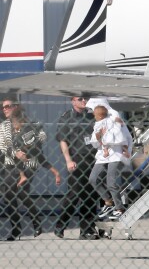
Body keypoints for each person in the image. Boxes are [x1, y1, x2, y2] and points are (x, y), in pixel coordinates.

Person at [0, 97, 60, 241]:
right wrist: (16, 153)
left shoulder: (32, 123)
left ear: (16, 107)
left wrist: (28, 147)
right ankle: (17, 227)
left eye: (8, 106)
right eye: (3, 107)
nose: (5, 109)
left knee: (21, 192)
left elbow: (42, 138)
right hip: (10, 164)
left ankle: (35, 221)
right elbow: (3, 146)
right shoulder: (3, 126)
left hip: (29, 164)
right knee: (8, 195)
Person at [54, 96, 101, 240]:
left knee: (92, 195)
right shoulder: (67, 117)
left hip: (93, 159)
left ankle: (87, 230)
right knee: (74, 194)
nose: (83, 101)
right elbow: (63, 141)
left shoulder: (92, 116)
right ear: (72, 101)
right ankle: (60, 225)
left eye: (85, 99)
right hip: (77, 160)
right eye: (80, 99)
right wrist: (68, 160)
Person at [89, 106, 133, 220]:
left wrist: (125, 149)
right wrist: (99, 135)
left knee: (111, 182)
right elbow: (94, 141)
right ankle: (108, 201)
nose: (94, 116)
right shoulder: (97, 124)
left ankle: (120, 208)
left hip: (116, 154)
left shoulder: (115, 121)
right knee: (93, 179)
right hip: (103, 156)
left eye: (95, 114)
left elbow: (121, 137)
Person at [10, 107, 61, 187]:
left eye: (14, 123)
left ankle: (22, 176)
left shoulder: (20, 133)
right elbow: (39, 125)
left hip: (29, 149)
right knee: (43, 161)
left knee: (16, 158)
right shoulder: (31, 125)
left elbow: (15, 144)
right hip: (36, 148)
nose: (14, 125)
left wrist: (18, 149)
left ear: (21, 121)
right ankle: (55, 172)